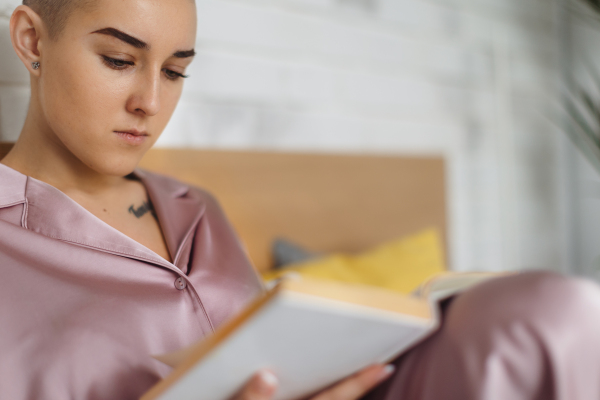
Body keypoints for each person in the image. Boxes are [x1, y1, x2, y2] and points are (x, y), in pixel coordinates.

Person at [1, 1, 600, 399]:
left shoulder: (193, 206)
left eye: (176, 71)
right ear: (32, 39)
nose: (150, 103)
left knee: (550, 312)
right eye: (119, 60)